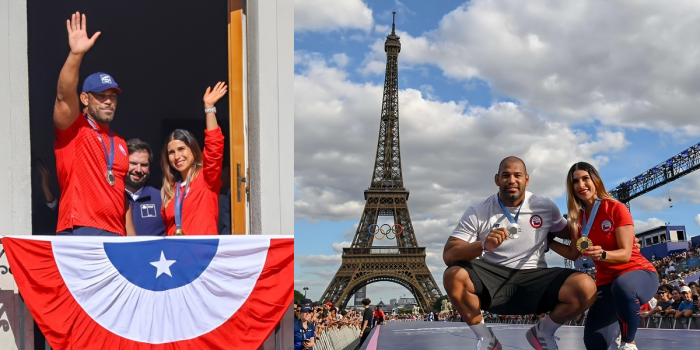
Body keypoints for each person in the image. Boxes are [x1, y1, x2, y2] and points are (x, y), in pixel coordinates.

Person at [443, 156, 597, 350]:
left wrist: (616, 235)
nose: (512, 180)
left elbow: (576, 232)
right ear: (497, 179)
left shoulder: (545, 206)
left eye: (517, 175)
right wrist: (483, 245)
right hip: (493, 277)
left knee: (586, 286)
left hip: (534, 278)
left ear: (527, 179)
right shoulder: (477, 211)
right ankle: (486, 339)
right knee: (453, 275)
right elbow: (449, 255)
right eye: (506, 175)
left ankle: (543, 332)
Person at [550, 162, 658, 350]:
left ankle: (628, 343)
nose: (581, 185)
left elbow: (625, 254)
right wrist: (547, 241)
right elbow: (573, 253)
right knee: (594, 343)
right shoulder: (578, 219)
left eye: (586, 179)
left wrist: (603, 254)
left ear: (596, 180)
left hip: (638, 273)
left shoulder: (616, 208)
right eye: (575, 181)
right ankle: (621, 320)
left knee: (623, 287)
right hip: (607, 283)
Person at [53, 12, 134, 236]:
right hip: (80, 230)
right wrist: (75, 55)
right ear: (85, 99)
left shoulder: (120, 142)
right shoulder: (73, 128)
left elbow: (121, 197)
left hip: (116, 235)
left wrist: (133, 244)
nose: (108, 100)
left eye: (113, 96)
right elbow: (63, 96)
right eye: (101, 95)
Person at [161, 82, 227, 235]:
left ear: (193, 150)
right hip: (176, 254)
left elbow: (215, 147)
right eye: (171, 152)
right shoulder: (170, 189)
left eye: (181, 149)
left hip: (202, 253)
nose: (177, 156)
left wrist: (209, 107)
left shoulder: (207, 179)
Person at [125, 139, 166, 236]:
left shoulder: (162, 198)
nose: (138, 170)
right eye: (133, 163)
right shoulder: (112, 198)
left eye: (144, 165)